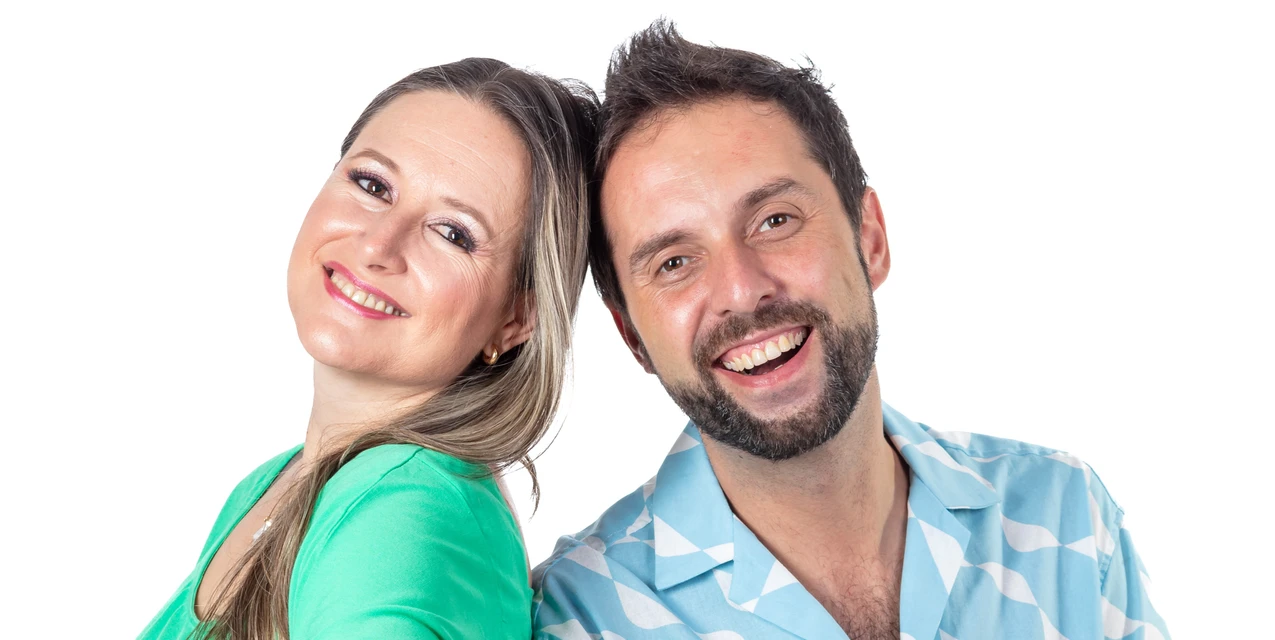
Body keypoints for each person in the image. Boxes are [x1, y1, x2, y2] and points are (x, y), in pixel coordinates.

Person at [532, 21, 1168, 640]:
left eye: (775, 220)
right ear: (632, 336)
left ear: (870, 238)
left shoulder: (1067, 519)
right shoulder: (581, 617)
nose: (742, 290)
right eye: (674, 263)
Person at [141, 58, 597, 639]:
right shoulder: (277, 482)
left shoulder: (404, 514)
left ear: (516, 319)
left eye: (453, 233)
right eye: (373, 185)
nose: (379, 244)